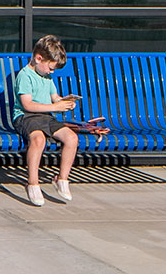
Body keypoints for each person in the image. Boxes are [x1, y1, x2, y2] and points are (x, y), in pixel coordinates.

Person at [13, 34, 109, 206]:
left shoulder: (47, 77)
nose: (52, 72)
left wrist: (64, 102)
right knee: (38, 139)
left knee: (72, 138)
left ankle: (62, 179)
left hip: (46, 116)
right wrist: (55, 107)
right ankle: (33, 183)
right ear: (38, 58)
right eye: (50, 68)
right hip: (26, 117)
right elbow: (27, 105)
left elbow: (54, 97)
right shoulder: (25, 76)